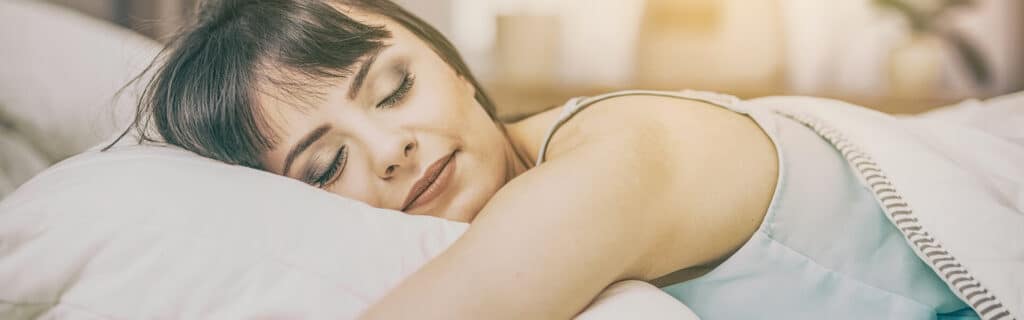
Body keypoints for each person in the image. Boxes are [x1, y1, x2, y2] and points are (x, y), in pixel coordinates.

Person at [111, 0, 981, 318]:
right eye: (324, 166)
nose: (391, 147)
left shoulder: (615, 164)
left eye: (392, 87)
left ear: (449, 63)